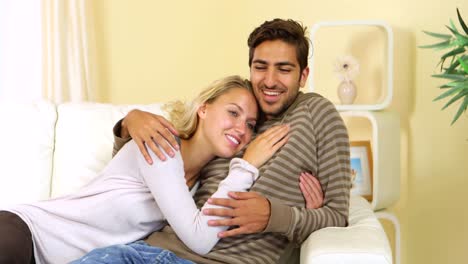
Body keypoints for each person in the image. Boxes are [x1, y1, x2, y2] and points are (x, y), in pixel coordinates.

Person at [78, 18, 351, 264]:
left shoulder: (317, 113)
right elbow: (151, 173)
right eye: (260, 67)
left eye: (284, 69)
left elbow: (338, 216)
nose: (270, 81)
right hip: (139, 251)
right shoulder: (234, 115)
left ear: (303, 75)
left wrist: (275, 216)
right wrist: (129, 122)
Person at [0, 75, 294, 264]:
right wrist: (247, 166)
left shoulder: (197, 185)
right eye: (233, 112)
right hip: (25, 232)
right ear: (204, 109)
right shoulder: (162, 146)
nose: (241, 129)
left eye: (251, 125)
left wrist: (303, 212)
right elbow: (201, 239)